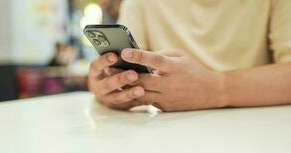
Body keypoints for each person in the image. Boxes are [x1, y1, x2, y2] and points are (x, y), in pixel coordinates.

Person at [88, 0, 291, 112]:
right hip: (168, 144)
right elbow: (116, 75)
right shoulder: (138, 5)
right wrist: (107, 86)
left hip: (259, 134)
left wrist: (216, 88)